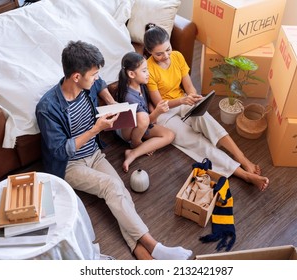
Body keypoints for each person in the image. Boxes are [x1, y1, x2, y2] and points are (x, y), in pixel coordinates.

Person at [35, 40, 192, 260]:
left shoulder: (87, 86)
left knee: (120, 192)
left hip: (95, 154)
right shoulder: (47, 108)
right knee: (112, 186)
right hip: (69, 165)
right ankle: (156, 247)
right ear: (76, 77)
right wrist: (95, 129)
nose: (98, 78)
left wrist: (110, 102)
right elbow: (60, 152)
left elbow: (99, 86)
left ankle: (141, 252)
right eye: (94, 74)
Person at [143, 24, 269, 191]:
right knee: (197, 142)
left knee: (207, 120)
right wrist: (182, 101)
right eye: (159, 54)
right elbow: (161, 104)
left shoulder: (177, 56)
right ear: (149, 52)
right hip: (165, 113)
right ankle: (243, 174)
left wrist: (193, 97)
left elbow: (189, 86)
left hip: (184, 100)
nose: (166, 56)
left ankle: (243, 159)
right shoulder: (148, 68)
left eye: (168, 49)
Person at [116, 51, 175, 172]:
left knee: (170, 135)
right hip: (127, 131)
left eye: (147, 69)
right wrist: (158, 112)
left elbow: (148, 104)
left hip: (141, 124)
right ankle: (136, 144)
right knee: (143, 117)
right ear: (131, 74)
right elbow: (145, 120)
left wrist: (154, 112)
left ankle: (133, 153)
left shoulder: (141, 84)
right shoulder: (129, 97)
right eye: (144, 71)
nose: (148, 74)